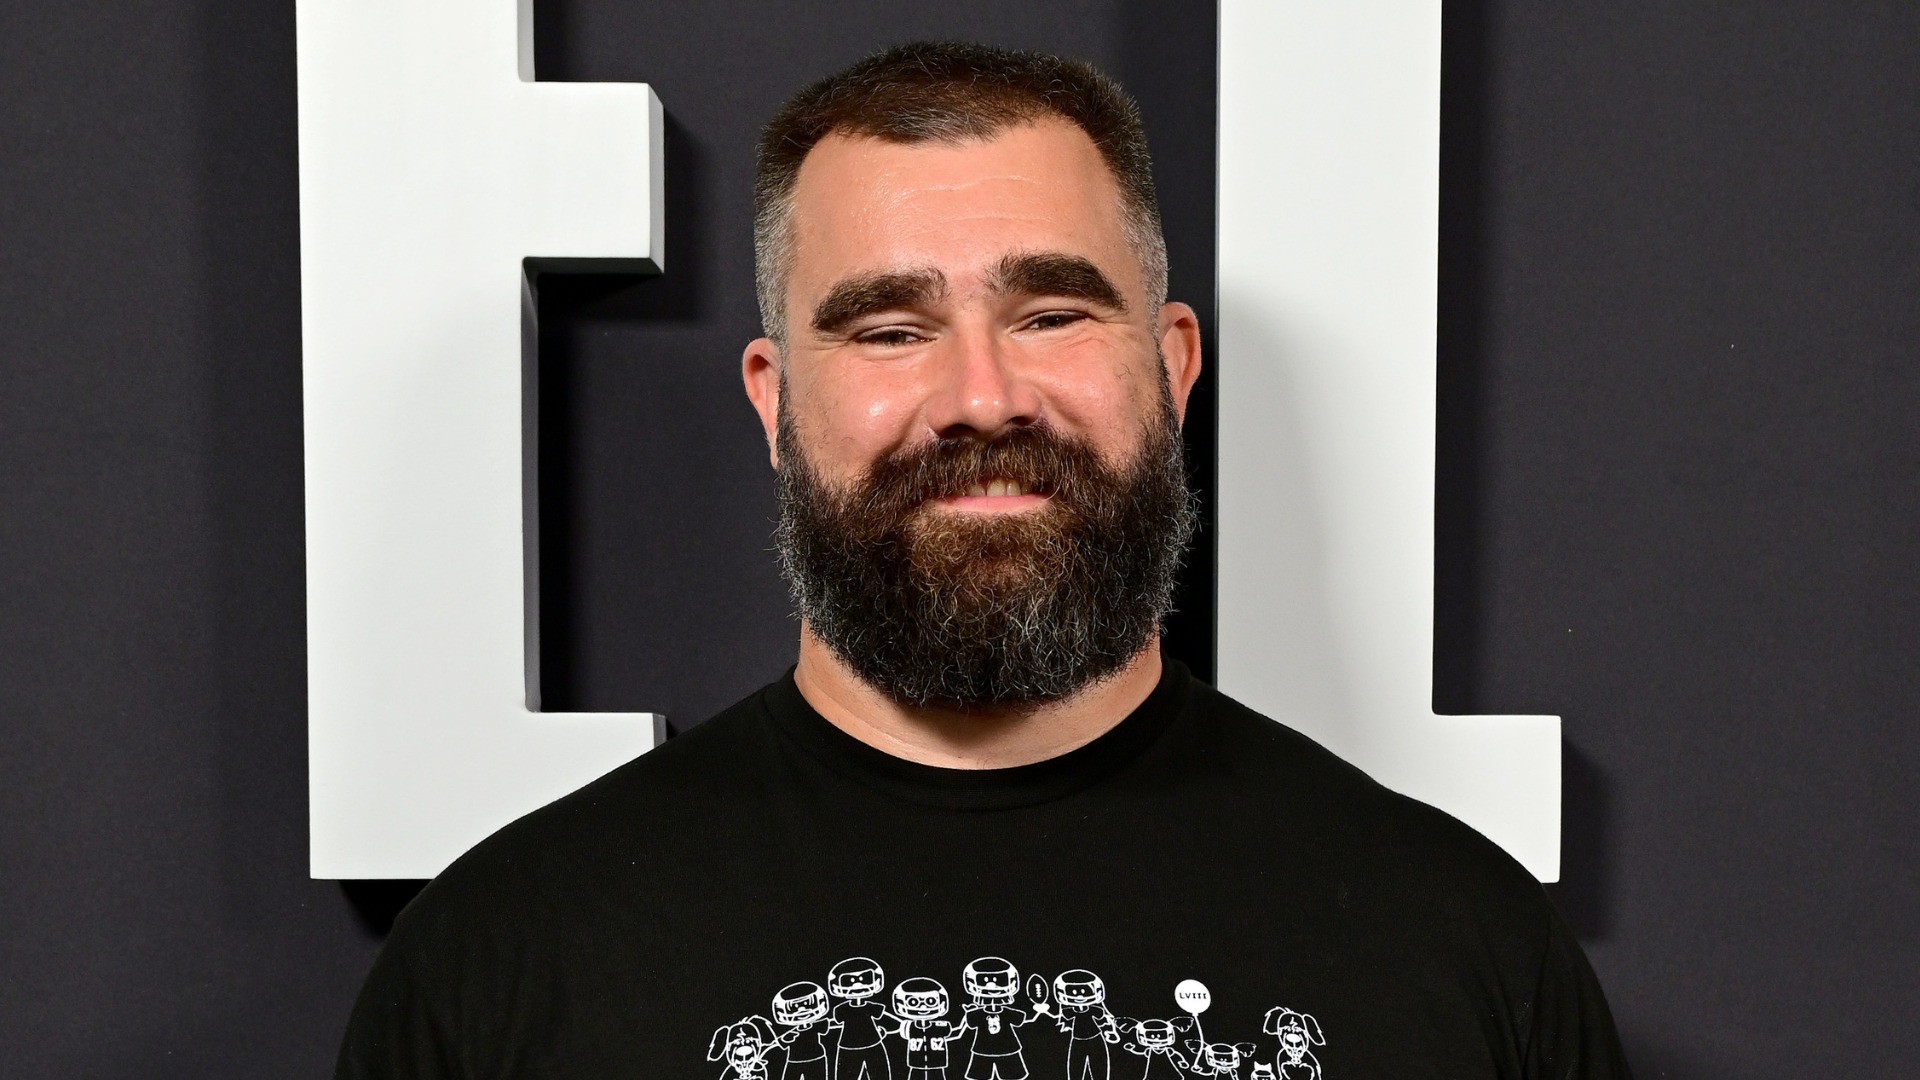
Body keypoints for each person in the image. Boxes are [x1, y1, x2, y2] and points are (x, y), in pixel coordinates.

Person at [335, 41, 1632, 1080]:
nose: (981, 395)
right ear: (774, 403)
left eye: (1052, 312)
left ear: (1173, 368)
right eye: (892, 329)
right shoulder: (504, 969)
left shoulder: (1458, 952)